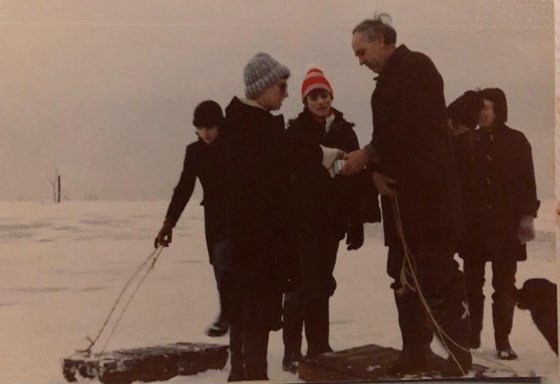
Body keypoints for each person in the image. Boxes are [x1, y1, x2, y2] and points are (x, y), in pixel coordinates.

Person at [341, 14, 472, 376]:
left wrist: (368, 156)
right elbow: (390, 139)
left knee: (437, 274)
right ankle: (414, 351)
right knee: (402, 276)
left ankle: (460, 354)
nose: (360, 60)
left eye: (361, 51)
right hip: (402, 201)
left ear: (381, 38)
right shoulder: (382, 84)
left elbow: (413, 128)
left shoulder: (418, 67)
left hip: (431, 199)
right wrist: (376, 170)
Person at [281, 67, 378, 373]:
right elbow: (287, 172)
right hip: (301, 221)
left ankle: (318, 345)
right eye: (313, 96)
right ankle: (292, 350)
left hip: (331, 222)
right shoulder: (295, 132)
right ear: (305, 101)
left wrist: (358, 221)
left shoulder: (346, 131)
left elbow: (358, 179)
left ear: (331, 96)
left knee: (321, 283)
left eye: (323, 94)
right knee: (301, 284)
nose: (319, 101)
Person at [454, 88, 539, 359]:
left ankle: (503, 341)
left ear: (498, 110)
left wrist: (527, 217)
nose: (481, 113)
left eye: (486, 108)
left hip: (506, 227)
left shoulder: (517, 141)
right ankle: (473, 335)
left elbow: (528, 183)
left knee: (504, 287)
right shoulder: (465, 140)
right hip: (473, 227)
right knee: (471, 284)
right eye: (478, 108)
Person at [154, 100, 232, 338]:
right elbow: (184, 187)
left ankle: (234, 315)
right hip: (215, 217)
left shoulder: (234, 146)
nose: (206, 132)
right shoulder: (195, 152)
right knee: (219, 266)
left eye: (211, 127)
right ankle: (228, 314)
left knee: (230, 263)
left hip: (242, 215)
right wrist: (169, 222)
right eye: (201, 127)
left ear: (220, 125)